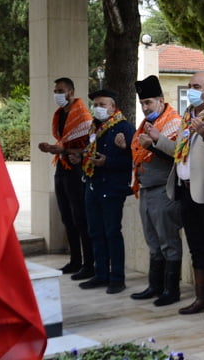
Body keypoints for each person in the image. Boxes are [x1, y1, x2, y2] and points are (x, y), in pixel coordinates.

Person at [149, 71, 204, 321]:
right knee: (196, 246)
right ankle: (202, 297)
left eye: (196, 86)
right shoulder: (189, 116)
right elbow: (181, 151)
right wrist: (159, 140)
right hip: (186, 189)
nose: (191, 90)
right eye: (189, 86)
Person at [72, 89, 135, 295]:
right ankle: (100, 275)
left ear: (113, 107)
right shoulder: (94, 128)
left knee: (112, 233)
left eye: (102, 104)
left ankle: (117, 278)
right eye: (96, 104)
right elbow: (90, 152)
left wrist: (108, 161)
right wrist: (80, 158)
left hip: (113, 187)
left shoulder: (124, 128)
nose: (98, 108)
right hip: (92, 184)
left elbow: (133, 159)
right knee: (95, 232)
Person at [129, 75, 184, 306]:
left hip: (164, 189)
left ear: (161, 100)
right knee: (152, 240)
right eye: (142, 103)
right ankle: (155, 286)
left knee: (168, 241)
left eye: (149, 102)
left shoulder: (174, 122)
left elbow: (176, 155)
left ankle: (171, 291)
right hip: (146, 189)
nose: (144, 107)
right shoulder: (145, 126)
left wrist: (153, 143)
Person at [37, 77, 94, 280]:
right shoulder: (60, 114)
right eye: (55, 91)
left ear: (71, 92)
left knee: (81, 218)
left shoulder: (84, 116)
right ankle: (75, 260)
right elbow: (63, 143)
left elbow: (89, 147)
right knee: (67, 218)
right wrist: (53, 149)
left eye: (60, 90)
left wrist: (64, 149)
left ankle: (89, 263)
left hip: (77, 170)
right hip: (62, 167)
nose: (57, 94)